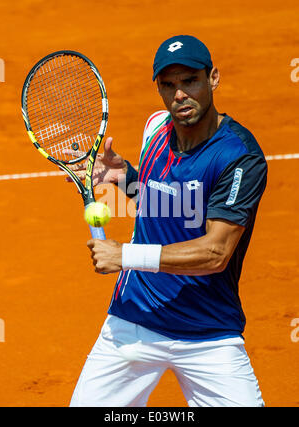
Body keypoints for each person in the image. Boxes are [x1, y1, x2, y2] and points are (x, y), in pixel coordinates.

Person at [69, 35, 267, 407]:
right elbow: (166, 202)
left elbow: (216, 252)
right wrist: (125, 178)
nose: (179, 95)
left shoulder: (239, 156)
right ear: (158, 87)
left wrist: (125, 256)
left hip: (209, 332)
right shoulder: (155, 128)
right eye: (168, 84)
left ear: (213, 78)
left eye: (190, 80)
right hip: (134, 321)